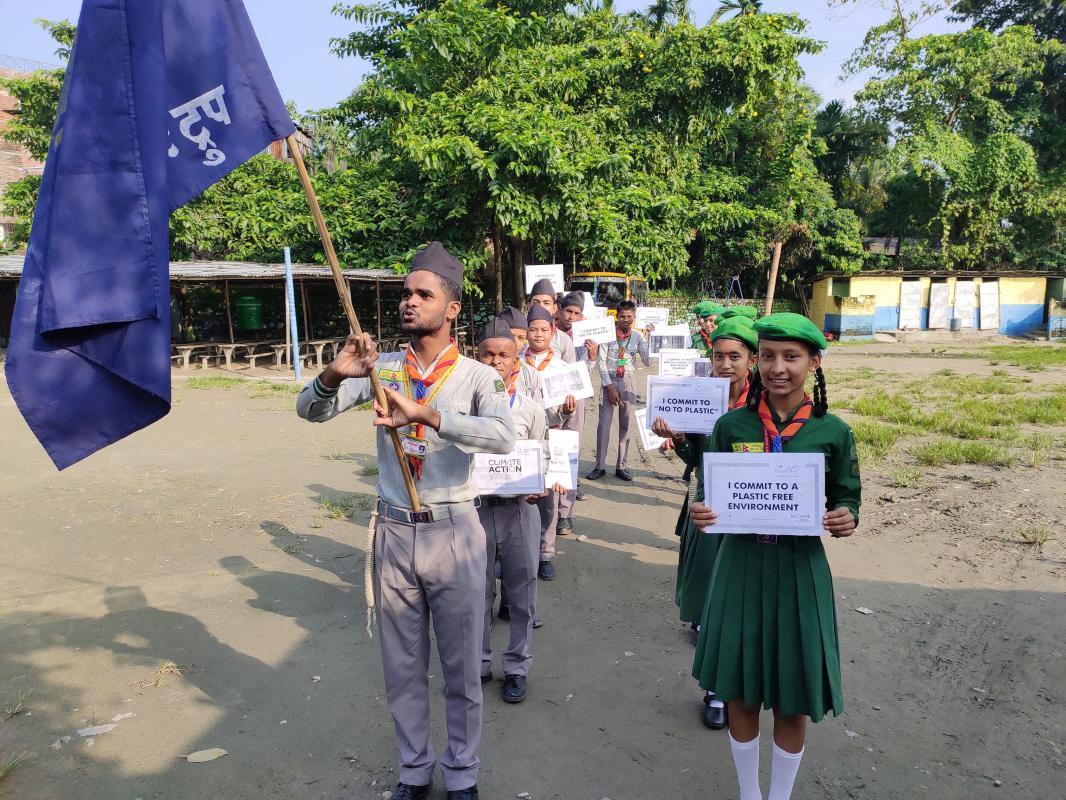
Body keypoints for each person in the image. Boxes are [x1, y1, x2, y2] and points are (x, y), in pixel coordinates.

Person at [296, 241, 516, 800]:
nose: (410, 303)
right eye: (406, 294)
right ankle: (414, 771)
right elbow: (308, 409)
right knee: (402, 665)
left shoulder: (475, 377)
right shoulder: (380, 370)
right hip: (393, 532)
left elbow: (503, 435)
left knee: (463, 668)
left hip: (455, 531)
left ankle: (461, 773)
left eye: (424, 294)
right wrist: (333, 374)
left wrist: (427, 414)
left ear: (453, 309)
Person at [689, 312, 861, 800]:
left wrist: (846, 516)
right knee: (740, 690)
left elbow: (848, 495)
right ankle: (749, 793)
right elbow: (709, 491)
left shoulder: (833, 432)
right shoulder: (730, 426)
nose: (777, 367)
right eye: (767, 356)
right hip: (739, 568)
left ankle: (779, 796)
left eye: (791, 357)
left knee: (791, 697)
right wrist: (703, 511)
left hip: (798, 572)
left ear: (814, 362)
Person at [652, 316, 758, 730]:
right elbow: (695, 461)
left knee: (749, 602)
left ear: (752, 359)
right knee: (715, 603)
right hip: (712, 510)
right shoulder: (701, 397)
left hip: (757, 510)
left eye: (736, 356)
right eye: (719, 356)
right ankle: (715, 689)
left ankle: (745, 685)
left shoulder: (764, 404)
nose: (726, 364)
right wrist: (678, 439)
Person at [474, 318, 567, 705]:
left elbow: (545, 454)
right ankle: (478, 661)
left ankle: (517, 667)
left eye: (504, 355)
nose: (496, 362)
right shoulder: (464, 405)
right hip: (474, 511)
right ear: (475, 359)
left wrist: (542, 483)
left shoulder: (531, 408)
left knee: (523, 592)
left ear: (517, 363)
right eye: (488, 355)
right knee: (475, 592)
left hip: (519, 511)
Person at [523, 304, 573, 580]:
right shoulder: (516, 361)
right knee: (519, 496)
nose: (538, 335)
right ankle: (518, 551)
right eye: (533, 329)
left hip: (553, 434)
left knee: (548, 499)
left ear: (553, 332)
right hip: (521, 439)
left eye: (544, 330)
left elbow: (563, 411)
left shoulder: (563, 368)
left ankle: (545, 554)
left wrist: (567, 411)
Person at [548, 291, 600, 532]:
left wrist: (591, 358)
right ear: (559, 310)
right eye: (568, 311)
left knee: (569, 455)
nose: (571, 317)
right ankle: (546, 508)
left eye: (577, 313)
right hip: (549, 402)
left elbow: (583, 374)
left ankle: (565, 513)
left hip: (575, 400)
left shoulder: (585, 337)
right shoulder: (547, 333)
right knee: (547, 454)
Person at [587, 299, 649, 481]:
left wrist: (651, 339)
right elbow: (601, 362)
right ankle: (599, 466)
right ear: (617, 315)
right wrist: (609, 386)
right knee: (604, 425)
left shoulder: (638, 337)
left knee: (626, 424)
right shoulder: (607, 335)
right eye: (622, 316)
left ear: (634, 317)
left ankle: (622, 466)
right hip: (610, 380)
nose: (625, 320)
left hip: (628, 380)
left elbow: (646, 361)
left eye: (629, 316)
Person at [528, 278, 576, 363]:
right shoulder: (519, 335)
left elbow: (571, 374)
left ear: (554, 308)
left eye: (546, 303)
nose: (541, 307)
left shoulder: (563, 340)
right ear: (529, 306)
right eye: (536, 302)